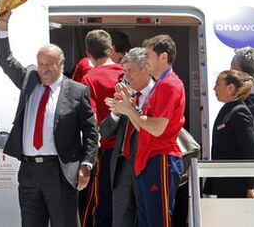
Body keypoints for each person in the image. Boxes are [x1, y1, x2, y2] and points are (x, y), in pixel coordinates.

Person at [0, 8, 98, 227]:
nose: (43, 70)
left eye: (49, 65)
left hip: (59, 171)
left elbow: (90, 132)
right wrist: (2, 25)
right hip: (29, 172)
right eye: (40, 64)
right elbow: (6, 60)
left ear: (61, 64)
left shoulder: (77, 91)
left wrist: (86, 164)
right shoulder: (29, 80)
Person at [106, 34, 185, 227]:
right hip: (149, 160)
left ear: (163, 57)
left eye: (149, 56)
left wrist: (129, 109)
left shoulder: (169, 84)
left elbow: (156, 129)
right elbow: (142, 128)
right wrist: (128, 106)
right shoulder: (161, 85)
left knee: (157, 221)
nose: (146, 60)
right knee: (146, 221)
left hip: (161, 160)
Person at [101, 47, 153, 227]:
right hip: (122, 167)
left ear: (145, 68)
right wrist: (116, 112)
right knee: (121, 220)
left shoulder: (157, 94)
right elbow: (105, 133)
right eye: (125, 71)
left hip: (148, 166)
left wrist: (130, 108)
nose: (126, 76)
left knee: (147, 218)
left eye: (130, 71)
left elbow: (151, 129)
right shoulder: (127, 94)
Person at [79, 29, 124, 227]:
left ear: (88, 54)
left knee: (104, 205)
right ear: (112, 49)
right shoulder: (127, 73)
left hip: (106, 152)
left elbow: (91, 122)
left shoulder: (89, 79)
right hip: (131, 150)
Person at [203, 70, 254, 198]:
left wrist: (250, 186)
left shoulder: (239, 112)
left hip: (237, 185)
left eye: (217, 84)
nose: (214, 88)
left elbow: (249, 151)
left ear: (230, 88)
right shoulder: (227, 109)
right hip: (225, 182)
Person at [230, 46, 254, 197]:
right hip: (240, 175)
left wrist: (250, 184)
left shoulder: (252, 97)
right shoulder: (251, 95)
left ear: (237, 68)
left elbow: (248, 140)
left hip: (242, 177)